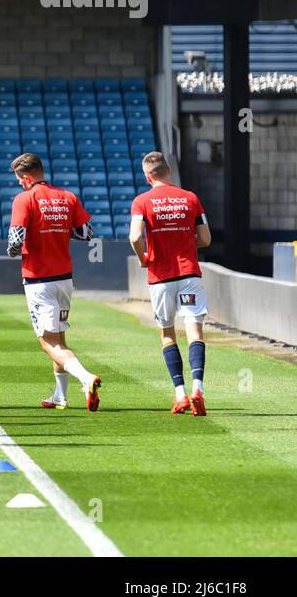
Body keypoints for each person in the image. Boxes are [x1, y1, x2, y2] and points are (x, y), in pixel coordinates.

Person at [7, 152, 102, 411]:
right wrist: (58, 230)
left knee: (47, 342)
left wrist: (14, 251)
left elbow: (15, 241)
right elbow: (86, 233)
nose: (18, 183)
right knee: (59, 337)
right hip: (64, 278)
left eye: (18, 179)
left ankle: (86, 378)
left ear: (26, 177)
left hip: (39, 279)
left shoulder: (24, 199)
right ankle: (60, 396)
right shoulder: (67, 197)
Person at [129, 151, 211, 415]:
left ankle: (180, 395)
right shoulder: (190, 198)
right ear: (168, 171)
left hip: (161, 278)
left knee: (167, 334)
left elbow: (134, 236)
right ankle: (198, 389)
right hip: (189, 276)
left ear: (147, 176)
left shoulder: (142, 201)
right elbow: (206, 239)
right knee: (195, 332)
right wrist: (186, 243)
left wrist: (144, 257)